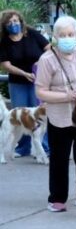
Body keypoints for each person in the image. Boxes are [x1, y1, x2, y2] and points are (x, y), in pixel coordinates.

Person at [34, 16, 76, 212]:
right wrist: (65, 96)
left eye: (70, 34)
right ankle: (57, 198)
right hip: (59, 116)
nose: (67, 38)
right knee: (59, 159)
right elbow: (41, 91)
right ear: (55, 37)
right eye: (62, 35)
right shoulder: (46, 59)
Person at [0, 9, 50, 158]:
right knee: (20, 117)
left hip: (38, 80)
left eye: (15, 21)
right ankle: (23, 148)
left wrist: (41, 62)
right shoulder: (4, 42)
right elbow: (5, 65)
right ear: (4, 26)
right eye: (9, 23)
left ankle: (44, 148)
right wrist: (24, 74)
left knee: (41, 115)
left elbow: (49, 49)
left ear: (20, 21)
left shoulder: (32, 34)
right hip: (18, 83)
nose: (13, 24)